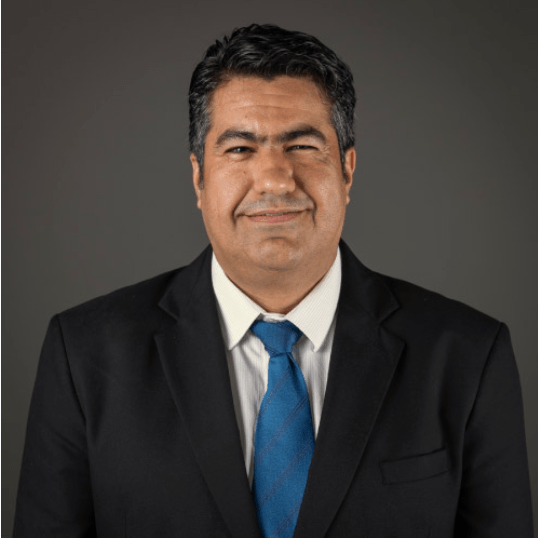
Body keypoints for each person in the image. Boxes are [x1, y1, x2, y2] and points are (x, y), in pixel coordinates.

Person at [14, 24, 533, 538]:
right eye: (240, 149)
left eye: (302, 146)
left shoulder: (468, 355)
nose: (274, 180)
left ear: (347, 170)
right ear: (198, 178)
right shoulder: (85, 355)